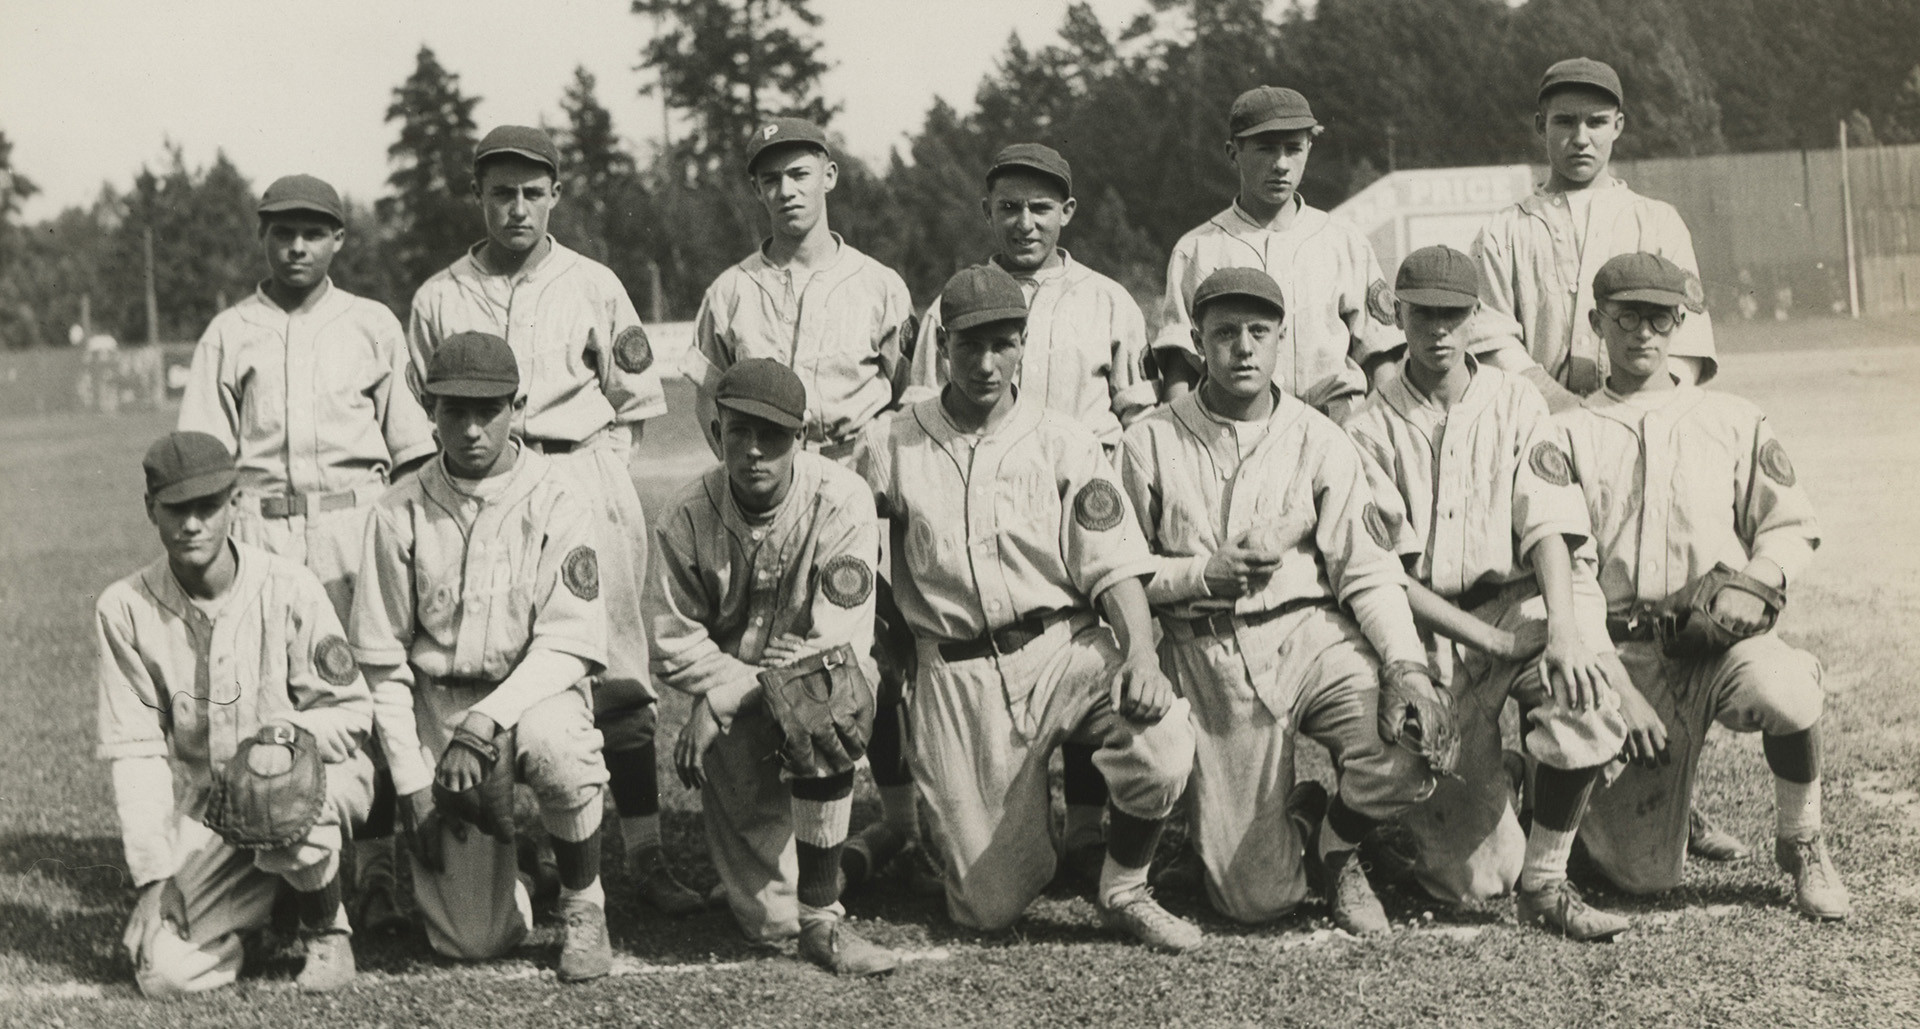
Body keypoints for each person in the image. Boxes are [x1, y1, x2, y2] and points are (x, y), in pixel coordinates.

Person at [855, 264, 1201, 951]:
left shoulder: (1063, 437)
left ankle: (1126, 884)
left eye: (1002, 344)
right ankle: (1023, 836)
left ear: (1022, 342)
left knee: (1162, 738)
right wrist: (889, 636)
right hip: (957, 673)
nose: (986, 363)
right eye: (968, 346)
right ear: (942, 344)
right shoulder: (891, 440)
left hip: (1062, 647)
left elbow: (1115, 565)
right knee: (987, 907)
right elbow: (853, 556)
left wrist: (1139, 653)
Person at [407, 125, 699, 914]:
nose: (516, 207)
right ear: (478, 196)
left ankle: (642, 854)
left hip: (577, 473)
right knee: (488, 660)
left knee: (615, 672)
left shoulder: (594, 282)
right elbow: (417, 409)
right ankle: (526, 847)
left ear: (555, 196)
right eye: (501, 192)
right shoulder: (438, 295)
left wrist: (594, 471)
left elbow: (635, 401)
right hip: (476, 489)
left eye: (532, 192)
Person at [1118, 267, 1449, 933]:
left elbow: (1367, 571)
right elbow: (1116, 576)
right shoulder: (1149, 438)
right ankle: (1290, 817)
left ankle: (1335, 846)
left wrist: (1405, 666)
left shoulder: (1319, 436)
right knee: (1255, 899)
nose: (1242, 347)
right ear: (1199, 341)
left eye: (1258, 332)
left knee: (1411, 747)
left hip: (1311, 633)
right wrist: (1198, 575)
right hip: (1209, 649)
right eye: (1225, 333)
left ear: (1279, 340)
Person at [1343, 246, 1652, 939]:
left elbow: (1549, 523)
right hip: (1436, 624)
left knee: (1585, 690)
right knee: (1473, 880)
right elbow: (1386, 572)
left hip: (1522, 596)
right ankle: (1501, 781)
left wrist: (1567, 632)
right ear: (1399, 313)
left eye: (1453, 313)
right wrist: (1490, 641)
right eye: (1424, 313)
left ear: (1475, 316)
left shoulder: (1515, 400)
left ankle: (1546, 884)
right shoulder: (1367, 424)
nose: (1439, 330)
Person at [1559, 253, 1850, 920]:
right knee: (1638, 879)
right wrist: (1615, 679)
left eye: (1659, 316)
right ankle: (1594, 808)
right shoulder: (1568, 431)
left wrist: (1756, 579)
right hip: (1624, 654)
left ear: (1680, 321)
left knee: (1787, 687)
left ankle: (1802, 840)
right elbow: (1567, 569)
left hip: (1714, 641)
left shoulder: (1733, 418)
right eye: (1626, 316)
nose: (1642, 332)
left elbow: (1791, 523)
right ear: (1596, 321)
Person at [178, 173, 435, 929]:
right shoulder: (230, 331)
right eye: (283, 231)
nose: (297, 245)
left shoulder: (371, 323)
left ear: (338, 240)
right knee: (274, 699)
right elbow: (203, 457)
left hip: (357, 525)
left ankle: (379, 867)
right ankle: (290, 870)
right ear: (263, 236)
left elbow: (415, 450)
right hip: (260, 529)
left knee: (375, 689)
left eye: (313, 232)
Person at [904, 141, 1157, 882]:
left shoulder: (1107, 297)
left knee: (1092, 662)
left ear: (1066, 212)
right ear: (987, 212)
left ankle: (1086, 824)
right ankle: (1012, 824)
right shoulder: (949, 305)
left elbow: (1136, 414)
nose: (1023, 222)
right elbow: (924, 412)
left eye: (1040, 207)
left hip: (1083, 497)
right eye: (1008, 207)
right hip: (981, 505)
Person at [687, 118, 924, 891]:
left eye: (799, 173)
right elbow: (705, 395)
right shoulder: (730, 290)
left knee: (872, 645)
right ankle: (772, 842)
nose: (785, 190)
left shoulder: (880, 282)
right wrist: (745, 465)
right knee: (764, 643)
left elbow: (903, 389)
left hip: (850, 467)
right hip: (767, 480)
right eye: (770, 179)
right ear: (756, 189)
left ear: (829, 175)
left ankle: (898, 821)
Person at [352, 331, 617, 980]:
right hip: (437, 703)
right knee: (471, 941)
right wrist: (413, 781)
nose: (471, 428)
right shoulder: (397, 511)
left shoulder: (558, 494)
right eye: (453, 411)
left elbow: (570, 642)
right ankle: (521, 862)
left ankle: (584, 906)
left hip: (531, 691)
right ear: (429, 409)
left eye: (488, 410)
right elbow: (383, 662)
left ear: (518, 406)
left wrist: (488, 719)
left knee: (563, 746)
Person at [96, 431, 373, 996]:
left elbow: (349, 710)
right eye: (177, 509)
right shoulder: (124, 608)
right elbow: (136, 752)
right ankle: (264, 919)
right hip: (213, 812)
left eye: (208, 506)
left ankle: (326, 931)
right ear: (151, 509)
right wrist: (154, 879)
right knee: (161, 973)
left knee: (272, 780)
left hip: (315, 781)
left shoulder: (289, 586)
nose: (193, 524)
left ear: (235, 503)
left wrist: (285, 736)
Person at [651, 358, 896, 975]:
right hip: (740, 704)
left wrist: (723, 699)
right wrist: (744, 685)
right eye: (740, 432)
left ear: (802, 439)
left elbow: (837, 641)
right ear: (716, 432)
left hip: (808, 687)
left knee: (821, 692)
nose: (755, 451)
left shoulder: (841, 497)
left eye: (774, 435)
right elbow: (675, 645)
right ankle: (861, 854)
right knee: (767, 924)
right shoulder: (683, 516)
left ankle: (823, 923)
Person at [1467, 58, 1719, 412]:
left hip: (1641, 420)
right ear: (1542, 125)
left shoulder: (1658, 222)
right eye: (1565, 121)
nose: (1581, 138)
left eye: (1597, 122)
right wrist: (1564, 409)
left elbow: (1688, 339)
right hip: (1538, 422)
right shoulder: (1502, 230)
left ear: (1617, 126)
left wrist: (1640, 408)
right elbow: (1491, 343)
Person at [1151, 87, 1401, 420]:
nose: (1281, 164)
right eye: (1266, 150)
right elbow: (1181, 367)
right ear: (1233, 152)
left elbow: (1379, 355)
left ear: (1309, 148)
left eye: (1293, 149)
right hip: (1234, 430)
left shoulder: (1344, 241)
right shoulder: (1197, 248)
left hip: (1335, 422)